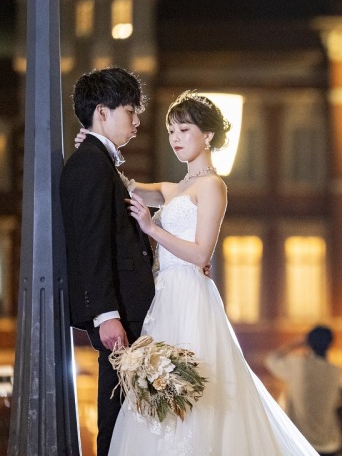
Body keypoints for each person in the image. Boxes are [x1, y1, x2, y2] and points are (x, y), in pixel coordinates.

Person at [79, 91, 318, 455]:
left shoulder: (213, 187)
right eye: (171, 131)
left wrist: (152, 228)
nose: (175, 139)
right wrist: (94, 145)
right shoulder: (173, 189)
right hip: (163, 298)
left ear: (207, 136)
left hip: (191, 296)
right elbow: (124, 187)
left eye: (184, 129)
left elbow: (200, 253)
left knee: (194, 394)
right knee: (158, 390)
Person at [60, 67, 156, 456]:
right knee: (117, 419)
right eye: (130, 111)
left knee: (129, 418)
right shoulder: (90, 165)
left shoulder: (99, 162)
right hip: (119, 313)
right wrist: (105, 314)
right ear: (103, 111)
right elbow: (91, 244)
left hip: (127, 310)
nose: (136, 121)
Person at [266, 326, 342, 456]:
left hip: (299, 441)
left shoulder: (298, 365)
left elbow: (271, 360)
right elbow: (337, 401)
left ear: (308, 343)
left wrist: (294, 344)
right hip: (329, 444)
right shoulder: (335, 372)